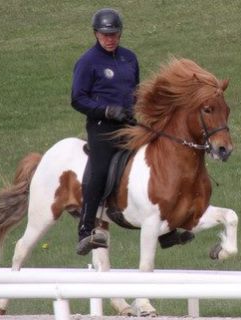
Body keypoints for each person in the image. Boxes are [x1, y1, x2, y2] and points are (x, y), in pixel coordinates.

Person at [71, 8, 139, 255]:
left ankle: (167, 227)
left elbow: (136, 91)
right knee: (99, 169)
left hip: (129, 125)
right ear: (96, 34)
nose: (110, 39)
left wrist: (135, 108)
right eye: (105, 34)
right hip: (102, 128)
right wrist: (107, 111)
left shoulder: (129, 58)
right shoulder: (88, 61)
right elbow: (78, 99)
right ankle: (86, 228)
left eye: (114, 34)